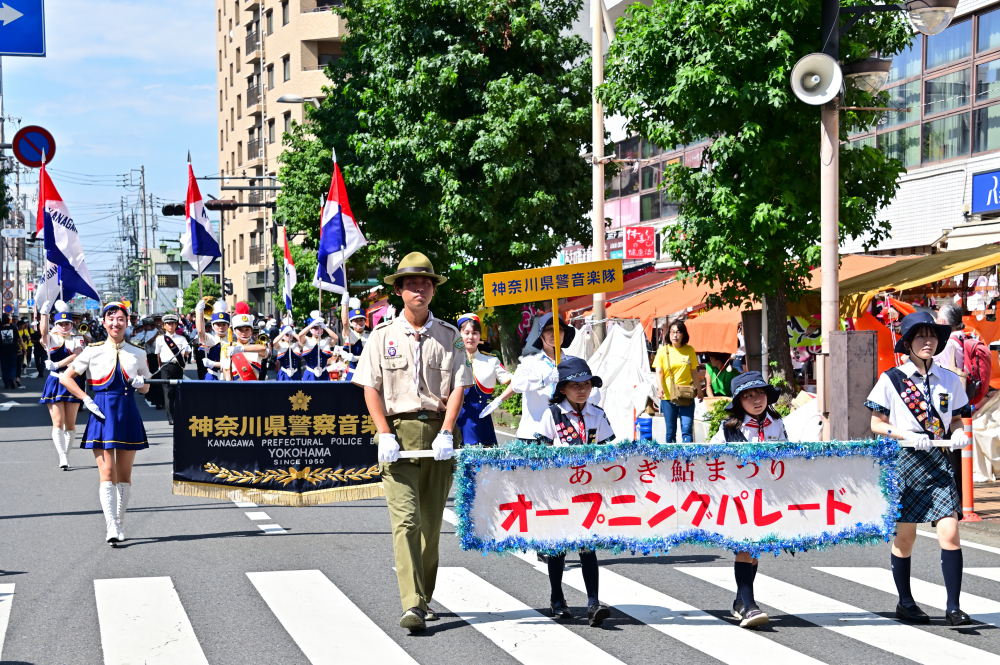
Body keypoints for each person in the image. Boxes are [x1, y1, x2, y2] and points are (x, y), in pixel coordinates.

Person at [353, 252, 473, 633]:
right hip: (397, 434)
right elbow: (370, 387)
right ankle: (412, 605)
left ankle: (424, 597)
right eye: (411, 284)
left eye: (426, 283)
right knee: (406, 522)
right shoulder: (381, 336)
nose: (419, 289)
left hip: (438, 433)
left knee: (431, 525)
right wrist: (384, 432)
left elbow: (458, 388)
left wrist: (446, 431)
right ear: (399, 291)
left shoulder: (451, 337)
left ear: (433, 290)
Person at [866, 311, 972, 626]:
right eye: (921, 336)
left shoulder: (950, 378)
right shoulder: (892, 379)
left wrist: (957, 431)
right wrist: (904, 435)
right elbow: (875, 423)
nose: (928, 341)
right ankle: (906, 602)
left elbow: (955, 417)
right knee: (905, 538)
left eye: (933, 336)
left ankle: (953, 607)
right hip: (905, 462)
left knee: (950, 532)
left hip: (939, 461)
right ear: (909, 342)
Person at [59, 302, 151, 546]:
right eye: (111, 319)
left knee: (124, 474)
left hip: (127, 411)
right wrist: (86, 399)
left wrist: (140, 382)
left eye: (120, 319)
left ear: (127, 321)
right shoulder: (92, 350)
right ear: (104, 322)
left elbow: (146, 388)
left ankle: (119, 522)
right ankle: (110, 524)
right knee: (107, 472)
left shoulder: (138, 353)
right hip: (100, 412)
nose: (116, 323)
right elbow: (66, 377)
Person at [533, 357, 614, 626]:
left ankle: (593, 602)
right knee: (558, 548)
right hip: (558, 492)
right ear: (563, 389)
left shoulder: (598, 414)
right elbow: (539, 453)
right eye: (575, 385)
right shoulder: (552, 414)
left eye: (587, 384)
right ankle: (557, 598)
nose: (582, 389)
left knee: (587, 546)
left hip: (588, 491)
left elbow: (608, 453)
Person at [709, 371, 787, 629]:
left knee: (754, 552)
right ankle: (750, 606)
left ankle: (741, 602)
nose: (756, 399)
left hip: (766, 496)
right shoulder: (729, 428)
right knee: (745, 547)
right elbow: (709, 457)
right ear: (738, 400)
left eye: (760, 393)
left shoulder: (776, 422)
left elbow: (787, 453)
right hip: (738, 497)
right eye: (748, 395)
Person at [487, 312, 582, 442]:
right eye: (549, 329)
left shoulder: (573, 363)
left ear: (564, 333)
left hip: (566, 433)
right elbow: (517, 384)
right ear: (541, 335)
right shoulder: (529, 362)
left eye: (559, 329)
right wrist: (544, 380)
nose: (554, 333)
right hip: (533, 433)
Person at [36, 302, 88, 469]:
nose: (64, 327)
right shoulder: (52, 338)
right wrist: (44, 314)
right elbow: (43, 333)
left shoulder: (78, 338)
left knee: (71, 423)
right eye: (60, 324)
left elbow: (77, 354)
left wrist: (57, 364)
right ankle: (62, 455)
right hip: (55, 381)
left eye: (67, 324)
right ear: (55, 324)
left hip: (72, 380)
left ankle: (66, 451)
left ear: (72, 324)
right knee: (57, 422)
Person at [454, 313, 511, 447]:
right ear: (459, 334)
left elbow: (515, 383)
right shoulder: (451, 359)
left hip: (481, 419)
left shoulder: (491, 360)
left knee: (482, 462)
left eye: (474, 333)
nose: (470, 337)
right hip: (455, 418)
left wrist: (497, 401)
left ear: (480, 335)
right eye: (466, 332)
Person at [652, 319, 704, 443]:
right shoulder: (663, 351)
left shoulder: (689, 350)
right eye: (672, 332)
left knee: (687, 430)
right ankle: (672, 461)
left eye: (678, 332)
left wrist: (700, 390)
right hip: (668, 397)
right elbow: (659, 372)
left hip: (686, 395)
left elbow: (694, 372)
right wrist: (660, 389)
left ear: (683, 334)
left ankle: (687, 460)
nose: (675, 335)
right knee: (670, 432)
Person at [155, 313, 191, 425]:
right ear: (164, 326)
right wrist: (160, 367)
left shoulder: (182, 338)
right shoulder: (160, 339)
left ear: (176, 325)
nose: (170, 326)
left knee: (178, 391)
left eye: (173, 324)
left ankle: (178, 414)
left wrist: (185, 353)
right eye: (168, 324)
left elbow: (187, 351)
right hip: (166, 366)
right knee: (168, 392)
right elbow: (158, 354)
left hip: (178, 366)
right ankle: (171, 417)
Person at [220, 313, 269, 380]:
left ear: (251, 330)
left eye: (247, 329)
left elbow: (263, 349)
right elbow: (227, 373)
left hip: (254, 387)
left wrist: (241, 349)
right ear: (234, 331)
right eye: (240, 329)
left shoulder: (257, 346)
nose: (244, 332)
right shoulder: (228, 348)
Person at [195, 299, 231, 381]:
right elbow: (200, 332)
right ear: (212, 326)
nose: (221, 327)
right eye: (218, 324)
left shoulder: (232, 341)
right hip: (212, 377)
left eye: (224, 324)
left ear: (228, 325)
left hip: (228, 377)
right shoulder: (211, 339)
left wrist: (213, 364)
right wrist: (199, 312)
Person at [297, 313, 339, 382]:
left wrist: (325, 327)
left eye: (319, 328)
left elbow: (336, 337)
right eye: (315, 328)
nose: (317, 330)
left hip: (323, 374)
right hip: (310, 374)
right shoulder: (306, 340)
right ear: (310, 330)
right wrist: (311, 324)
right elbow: (300, 335)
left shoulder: (326, 340)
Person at [339, 296, 369, 379]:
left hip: (368, 374)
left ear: (365, 321)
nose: (359, 323)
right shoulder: (349, 333)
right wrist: (344, 305)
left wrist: (356, 358)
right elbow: (344, 323)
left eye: (361, 320)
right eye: (355, 321)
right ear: (351, 322)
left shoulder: (371, 334)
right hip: (353, 375)